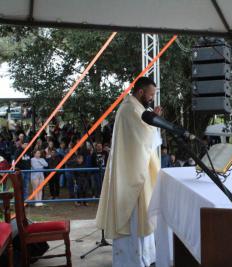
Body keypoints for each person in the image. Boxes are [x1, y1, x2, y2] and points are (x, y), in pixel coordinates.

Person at [96, 77, 161, 267]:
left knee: (141, 222)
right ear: (140, 92)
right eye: (150, 95)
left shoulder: (136, 108)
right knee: (133, 223)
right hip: (132, 175)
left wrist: (153, 119)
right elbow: (146, 138)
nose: (151, 99)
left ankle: (142, 259)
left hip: (136, 170)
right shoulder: (131, 109)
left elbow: (146, 138)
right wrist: (155, 123)